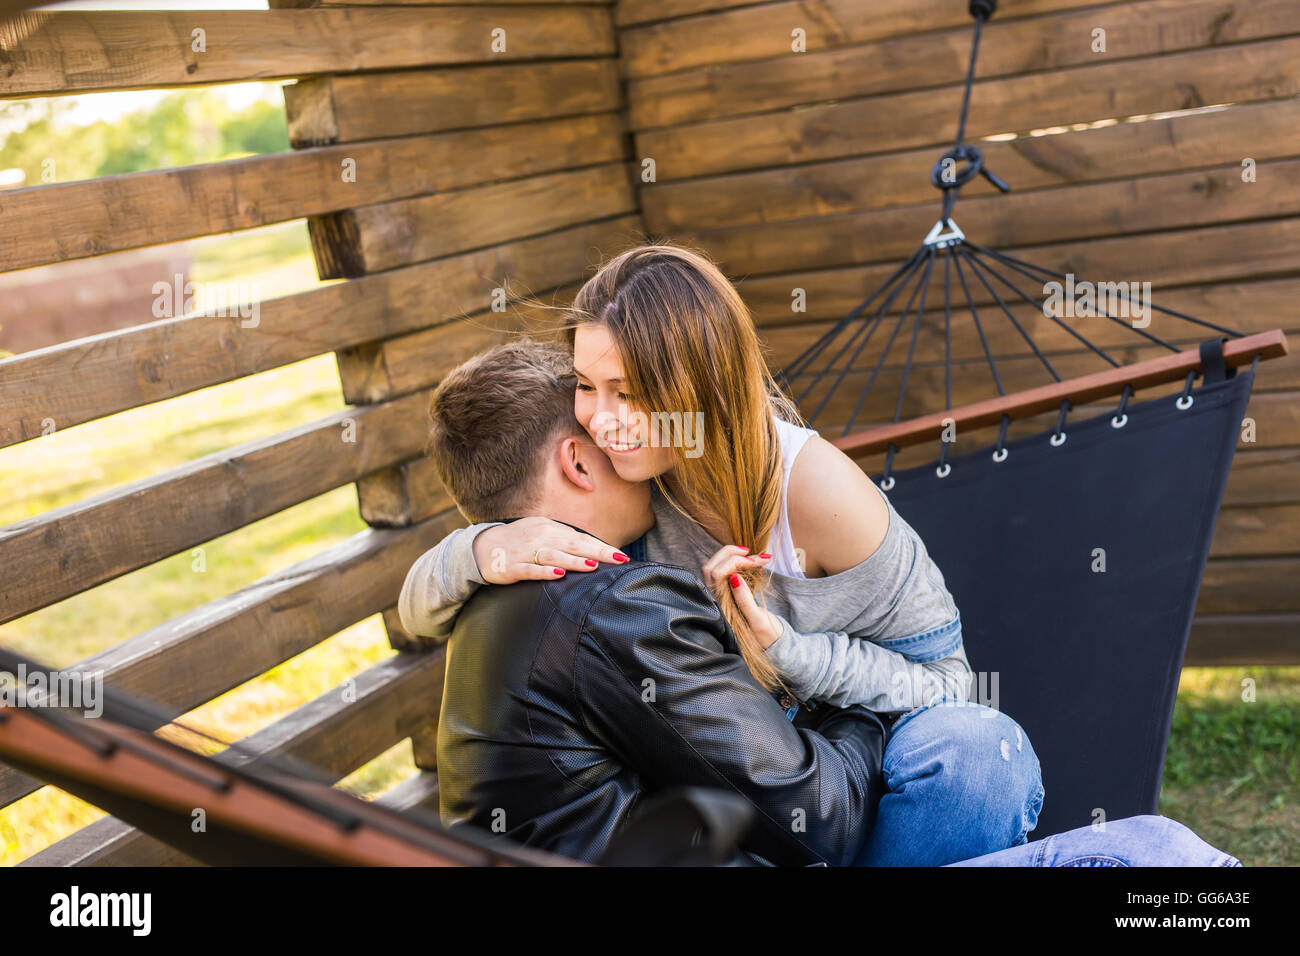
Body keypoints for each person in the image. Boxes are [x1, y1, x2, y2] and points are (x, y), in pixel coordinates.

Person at [423, 338, 1240, 868]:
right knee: (1158, 861)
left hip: (775, 816)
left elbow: (935, 687)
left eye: (625, 401)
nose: (616, 427)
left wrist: (483, 544)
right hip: (803, 829)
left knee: (971, 751)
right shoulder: (607, 601)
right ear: (575, 460)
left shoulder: (496, 598)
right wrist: (815, 690)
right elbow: (823, 819)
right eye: (597, 414)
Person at [403, 242, 1041, 866]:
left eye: (625, 391)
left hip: (869, 755)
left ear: (698, 386)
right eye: (584, 385)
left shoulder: (817, 493)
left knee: (978, 757)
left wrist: (795, 656)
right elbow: (419, 612)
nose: (599, 419)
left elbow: (949, 685)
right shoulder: (635, 474)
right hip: (757, 787)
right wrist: (485, 543)